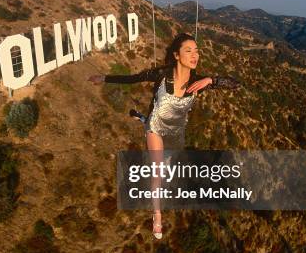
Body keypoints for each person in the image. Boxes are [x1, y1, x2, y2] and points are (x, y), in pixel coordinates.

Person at [88, 33, 240, 239]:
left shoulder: (198, 82)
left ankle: (140, 118)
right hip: (156, 127)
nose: (195, 55)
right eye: (189, 51)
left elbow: (235, 84)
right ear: (177, 55)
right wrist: (104, 78)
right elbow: (133, 78)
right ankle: (157, 214)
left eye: (197, 51)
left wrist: (212, 79)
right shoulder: (162, 74)